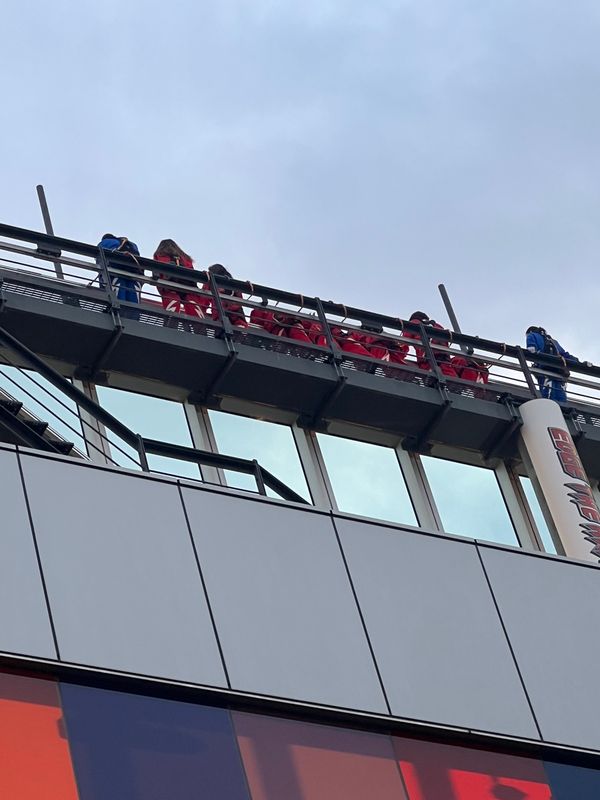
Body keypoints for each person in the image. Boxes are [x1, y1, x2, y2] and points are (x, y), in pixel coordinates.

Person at [525, 326, 588, 402]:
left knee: (548, 398)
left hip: (544, 371)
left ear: (530, 332)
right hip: (558, 372)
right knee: (561, 399)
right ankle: (562, 411)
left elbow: (531, 349)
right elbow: (565, 355)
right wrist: (579, 363)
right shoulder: (553, 341)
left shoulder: (532, 335)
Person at [152, 239, 209, 319]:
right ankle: (200, 326)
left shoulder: (160, 254)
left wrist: (156, 278)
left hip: (169, 285)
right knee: (192, 304)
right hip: (188, 287)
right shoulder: (185, 257)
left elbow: (156, 268)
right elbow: (191, 272)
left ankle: (171, 322)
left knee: (172, 302)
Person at [406, 311, 457, 377]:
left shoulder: (414, 323)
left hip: (428, 361)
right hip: (444, 361)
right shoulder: (438, 326)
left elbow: (403, 343)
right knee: (452, 380)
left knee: (429, 380)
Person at [98, 234, 143, 303]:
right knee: (133, 297)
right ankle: (134, 312)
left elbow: (99, 260)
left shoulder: (103, 243)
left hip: (114, 273)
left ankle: (117, 311)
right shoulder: (130, 244)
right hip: (134, 274)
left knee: (118, 297)